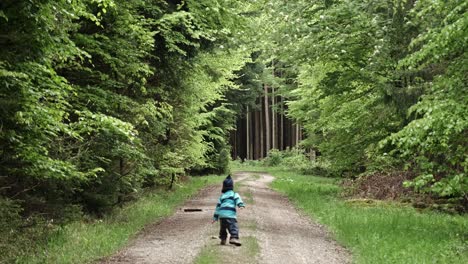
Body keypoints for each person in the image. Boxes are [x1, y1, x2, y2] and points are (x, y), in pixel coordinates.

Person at [212, 174, 245, 246]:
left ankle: (223, 239)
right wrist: (240, 205)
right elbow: (238, 199)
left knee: (223, 228)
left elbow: (218, 207)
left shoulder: (222, 196)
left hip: (222, 215)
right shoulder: (234, 194)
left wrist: (215, 217)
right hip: (230, 215)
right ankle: (233, 238)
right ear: (232, 186)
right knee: (233, 226)